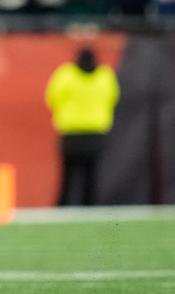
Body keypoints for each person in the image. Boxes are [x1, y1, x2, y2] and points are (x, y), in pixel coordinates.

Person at [45, 47, 120, 206]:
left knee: (68, 175)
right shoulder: (105, 77)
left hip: (71, 132)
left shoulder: (66, 76)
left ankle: (64, 206)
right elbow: (113, 99)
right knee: (91, 175)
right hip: (95, 132)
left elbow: (51, 97)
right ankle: (89, 206)